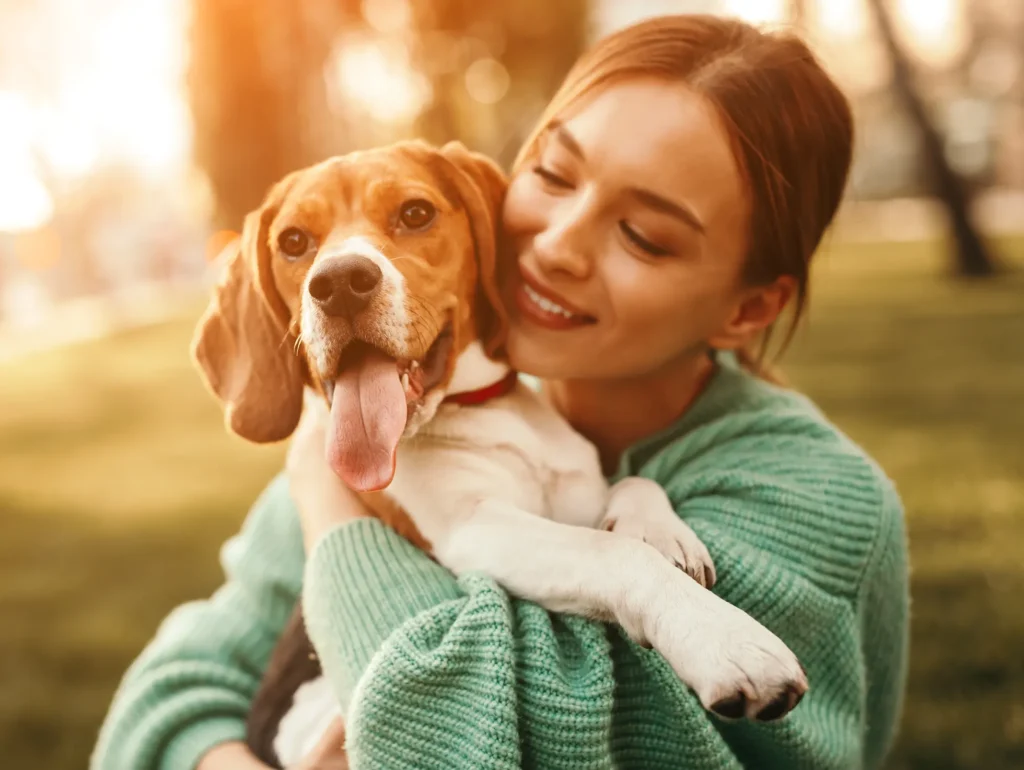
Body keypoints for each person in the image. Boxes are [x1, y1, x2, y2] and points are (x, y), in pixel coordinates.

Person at [91, 14, 909, 770]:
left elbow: (454, 746)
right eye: (553, 175)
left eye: (644, 234)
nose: (555, 247)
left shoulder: (810, 503)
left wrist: (331, 511)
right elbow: (169, 694)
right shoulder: (373, 427)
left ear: (748, 307)